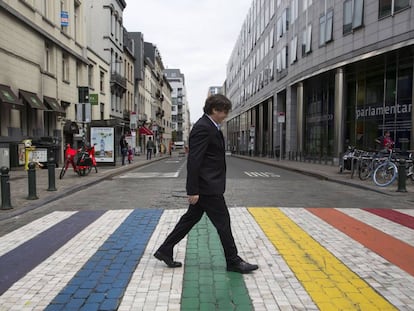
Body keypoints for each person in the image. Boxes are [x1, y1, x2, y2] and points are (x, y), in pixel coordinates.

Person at [154, 94, 259, 274]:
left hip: (208, 186)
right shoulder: (203, 128)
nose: (225, 115)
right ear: (214, 110)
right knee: (223, 223)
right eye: (224, 112)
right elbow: (194, 161)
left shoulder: (211, 126)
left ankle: (165, 250)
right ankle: (233, 261)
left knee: (189, 219)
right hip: (207, 187)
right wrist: (193, 190)